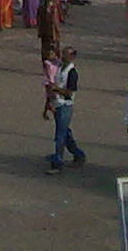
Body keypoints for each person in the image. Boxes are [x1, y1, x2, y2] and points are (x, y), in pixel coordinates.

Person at [45, 45, 86, 174]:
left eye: (65, 55)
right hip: (57, 104)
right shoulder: (60, 68)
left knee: (60, 135)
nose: (62, 57)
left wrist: (56, 89)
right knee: (65, 132)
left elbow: (70, 93)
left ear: (72, 57)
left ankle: (58, 162)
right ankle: (78, 154)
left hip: (65, 105)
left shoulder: (72, 73)